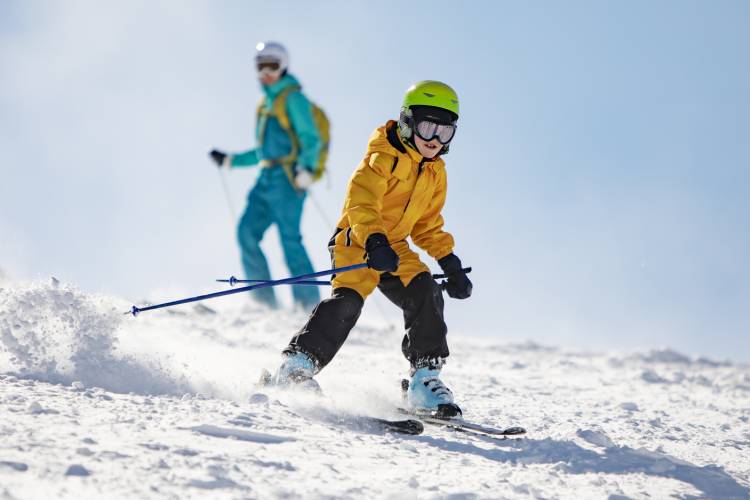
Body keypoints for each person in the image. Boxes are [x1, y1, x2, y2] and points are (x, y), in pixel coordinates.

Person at [270, 80, 473, 415]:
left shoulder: (436, 173)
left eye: (445, 132)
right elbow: (360, 203)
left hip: (395, 248)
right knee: (348, 302)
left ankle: (425, 379)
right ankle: (295, 366)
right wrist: (374, 240)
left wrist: (449, 261)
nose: (435, 140)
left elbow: (427, 225)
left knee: (426, 290)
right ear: (408, 122)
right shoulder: (382, 157)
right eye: (427, 128)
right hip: (358, 241)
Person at [209, 41, 321, 310]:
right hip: (266, 178)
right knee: (246, 232)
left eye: (273, 65)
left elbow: (311, 138)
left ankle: (308, 305)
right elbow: (264, 151)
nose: (267, 72)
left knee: (289, 239)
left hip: (288, 178)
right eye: (262, 66)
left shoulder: (293, 99)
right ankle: (264, 302)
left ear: (283, 66)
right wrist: (231, 161)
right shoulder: (266, 104)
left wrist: (307, 168)